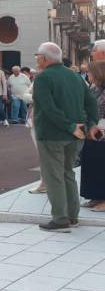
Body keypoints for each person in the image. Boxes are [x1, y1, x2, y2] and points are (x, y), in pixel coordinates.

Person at [31, 42, 99, 232]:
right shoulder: (75, 76)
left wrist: (69, 126)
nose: (36, 58)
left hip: (52, 135)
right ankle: (73, 216)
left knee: (54, 178)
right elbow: (91, 101)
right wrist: (91, 124)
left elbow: (49, 108)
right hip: (76, 135)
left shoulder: (43, 78)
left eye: (37, 55)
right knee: (68, 174)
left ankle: (60, 220)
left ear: (44, 58)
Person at [80, 62, 105, 212]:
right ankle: (94, 196)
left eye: (89, 73)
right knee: (91, 163)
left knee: (102, 166)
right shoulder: (94, 88)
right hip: (92, 129)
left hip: (102, 130)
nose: (88, 75)